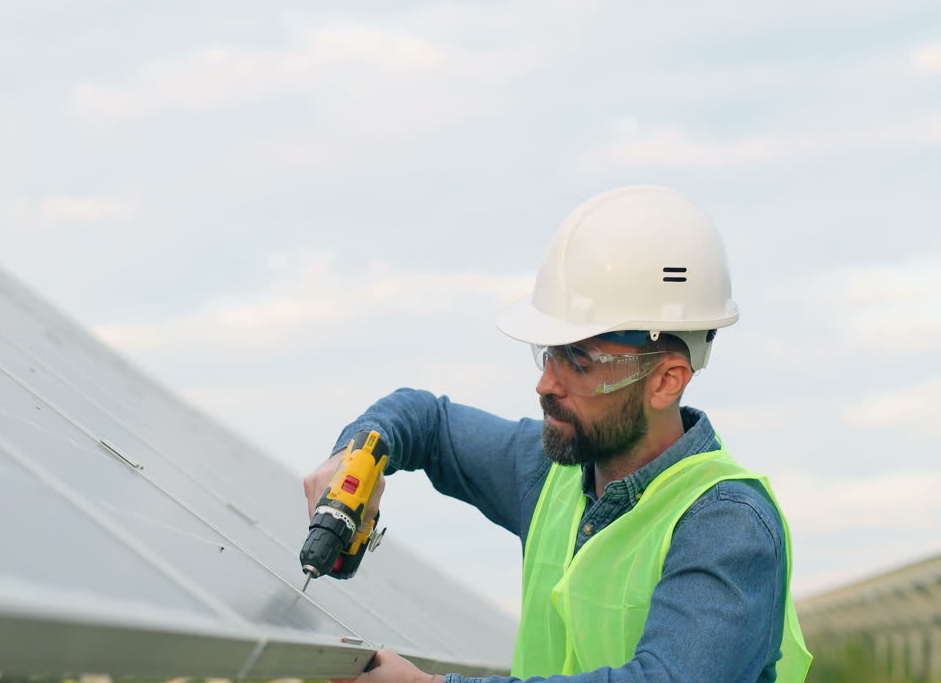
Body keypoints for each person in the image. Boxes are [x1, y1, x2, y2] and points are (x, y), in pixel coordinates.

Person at [305, 186, 812, 683]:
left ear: (665, 380)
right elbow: (426, 421)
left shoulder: (727, 526)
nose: (546, 383)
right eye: (549, 354)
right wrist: (354, 457)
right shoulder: (551, 474)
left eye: (579, 361)